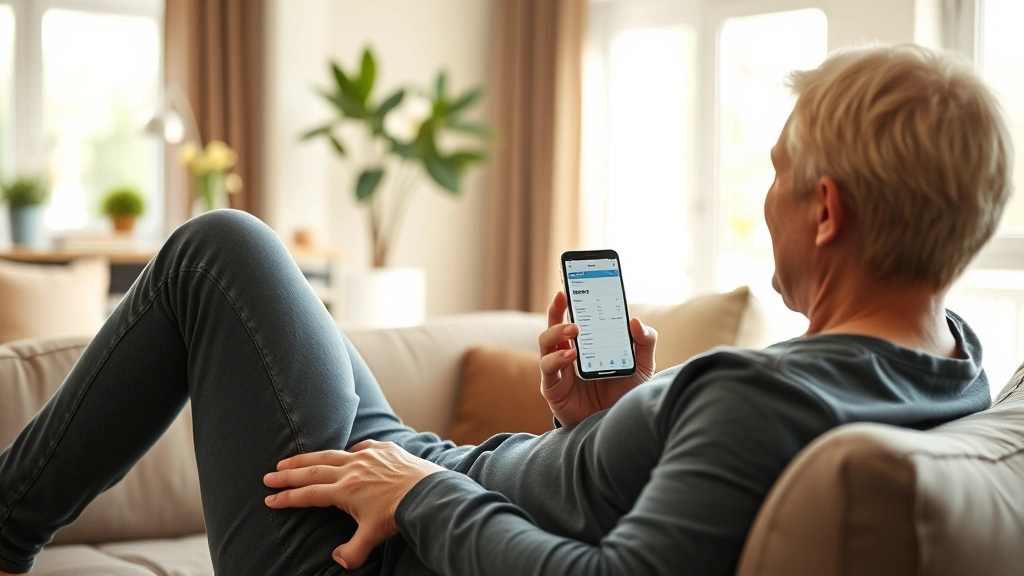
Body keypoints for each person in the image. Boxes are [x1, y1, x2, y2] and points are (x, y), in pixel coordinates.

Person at [0, 43, 1013, 576]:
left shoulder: (763, 403)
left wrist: (417, 497)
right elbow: (678, 497)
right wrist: (619, 414)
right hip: (426, 482)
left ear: (826, 212)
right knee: (243, 260)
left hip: (372, 546)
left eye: (780, 175)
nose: (770, 199)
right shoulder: (957, 366)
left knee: (218, 250)